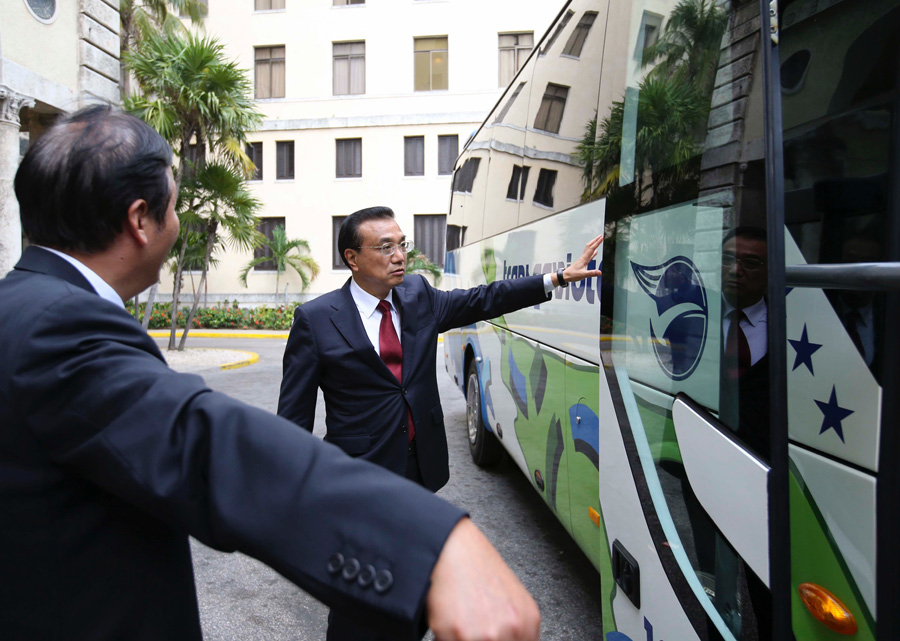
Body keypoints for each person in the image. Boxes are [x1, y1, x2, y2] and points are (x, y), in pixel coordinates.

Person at [0, 105, 540, 641]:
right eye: (175, 207)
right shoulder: (60, 325)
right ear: (141, 220)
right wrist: (429, 543)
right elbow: (206, 441)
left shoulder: (24, 308)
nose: (178, 223)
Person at [277, 207, 601, 641]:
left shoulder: (417, 296)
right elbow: (292, 421)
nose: (399, 256)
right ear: (353, 258)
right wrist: (298, 502)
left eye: (402, 244)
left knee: (412, 588)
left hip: (418, 468)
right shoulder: (316, 320)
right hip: (360, 478)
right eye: (385, 247)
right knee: (357, 600)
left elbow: (485, 298)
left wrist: (556, 279)